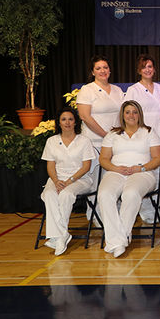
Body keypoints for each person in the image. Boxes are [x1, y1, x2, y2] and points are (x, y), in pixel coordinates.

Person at [97, 101, 160, 258]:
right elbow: (104, 159)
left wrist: (140, 168)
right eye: (128, 112)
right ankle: (118, 240)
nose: (131, 115)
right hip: (116, 171)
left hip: (143, 172)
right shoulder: (112, 134)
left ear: (140, 114)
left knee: (131, 193)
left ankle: (117, 240)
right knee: (105, 194)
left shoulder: (149, 132)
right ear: (122, 115)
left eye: (134, 112)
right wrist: (116, 168)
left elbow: (157, 158)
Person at [40, 107, 97, 255]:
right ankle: (61, 235)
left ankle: (57, 237)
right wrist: (56, 180)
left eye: (70, 119)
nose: (67, 122)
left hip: (80, 179)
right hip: (57, 178)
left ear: (75, 122)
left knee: (66, 194)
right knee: (49, 195)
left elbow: (86, 166)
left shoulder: (84, 141)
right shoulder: (51, 141)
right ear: (58, 122)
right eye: (63, 119)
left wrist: (70, 180)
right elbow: (50, 165)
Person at [125, 54, 160, 224]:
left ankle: (155, 208)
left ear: (154, 69)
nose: (147, 70)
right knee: (145, 171)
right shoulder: (134, 90)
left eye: (150, 66)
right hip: (143, 137)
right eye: (144, 67)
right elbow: (129, 114)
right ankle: (147, 211)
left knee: (158, 173)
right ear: (139, 70)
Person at [77, 55, 124, 151]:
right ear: (92, 72)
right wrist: (105, 135)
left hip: (116, 141)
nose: (103, 71)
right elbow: (84, 116)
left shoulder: (117, 90)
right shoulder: (87, 90)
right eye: (98, 68)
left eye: (105, 68)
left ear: (109, 70)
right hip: (93, 142)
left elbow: (123, 114)